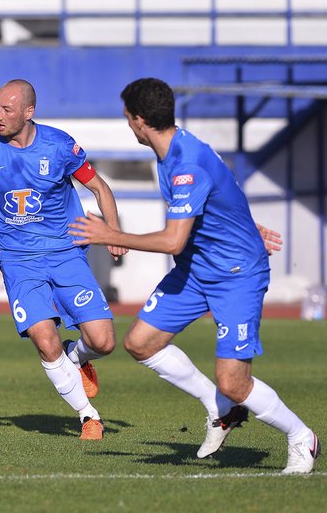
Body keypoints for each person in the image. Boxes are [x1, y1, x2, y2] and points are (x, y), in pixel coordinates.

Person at [69, 77, 319, 473]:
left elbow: (173, 241)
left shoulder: (185, 163)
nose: (127, 124)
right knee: (140, 342)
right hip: (198, 268)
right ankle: (218, 408)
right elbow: (224, 191)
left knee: (234, 382)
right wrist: (245, 225)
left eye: (126, 118)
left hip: (236, 275)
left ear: (138, 120)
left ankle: (301, 436)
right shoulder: (176, 148)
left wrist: (110, 235)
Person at [0, 79, 126, 440]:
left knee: (103, 342)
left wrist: (113, 232)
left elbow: (99, 187)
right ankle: (88, 416)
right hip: (19, 261)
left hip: (66, 253)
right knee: (44, 340)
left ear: (28, 112)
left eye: (6, 109)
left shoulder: (60, 145)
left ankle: (77, 357)